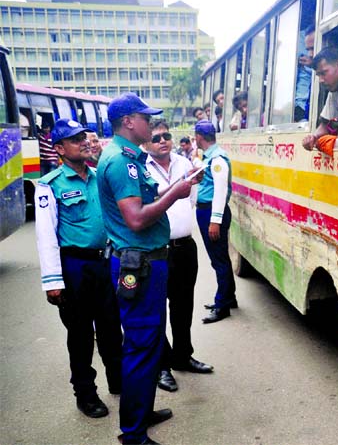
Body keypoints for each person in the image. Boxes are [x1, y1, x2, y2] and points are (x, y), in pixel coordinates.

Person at [97, 92, 199, 445]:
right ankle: (133, 434)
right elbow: (137, 218)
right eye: (146, 118)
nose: (152, 124)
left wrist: (177, 187)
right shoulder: (121, 162)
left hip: (147, 262)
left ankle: (141, 412)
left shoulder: (128, 157)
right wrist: (175, 195)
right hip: (138, 264)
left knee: (150, 342)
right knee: (141, 345)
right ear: (129, 121)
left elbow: (147, 200)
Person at [34, 119, 123, 419]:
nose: (84, 142)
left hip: (105, 262)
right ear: (58, 149)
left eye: (84, 137)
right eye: (75, 139)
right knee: (81, 334)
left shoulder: (99, 177)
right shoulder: (50, 185)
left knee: (112, 327)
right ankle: (85, 393)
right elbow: (46, 235)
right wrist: (52, 281)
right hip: (75, 267)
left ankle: (118, 381)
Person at [145, 121, 214, 394]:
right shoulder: (141, 168)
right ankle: (162, 366)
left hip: (185, 247)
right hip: (157, 250)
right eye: (156, 138)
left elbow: (192, 199)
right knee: (157, 310)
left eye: (166, 136)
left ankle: (183, 356)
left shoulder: (185, 163)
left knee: (183, 306)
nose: (163, 141)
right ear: (146, 143)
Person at [194, 120, 237, 323]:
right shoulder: (211, 156)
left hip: (212, 212)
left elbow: (220, 192)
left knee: (218, 260)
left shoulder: (217, 158)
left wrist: (215, 221)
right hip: (209, 212)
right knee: (221, 258)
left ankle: (223, 306)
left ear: (198, 137)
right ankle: (229, 298)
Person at [302, 47, 338, 156]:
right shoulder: (334, 91)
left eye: (324, 73)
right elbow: (325, 124)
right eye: (318, 75)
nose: (321, 80)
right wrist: (314, 137)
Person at [294, 26, 315, 122]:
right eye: (308, 49)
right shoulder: (297, 38)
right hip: (300, 105)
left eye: (313, 49)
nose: (310, 54)